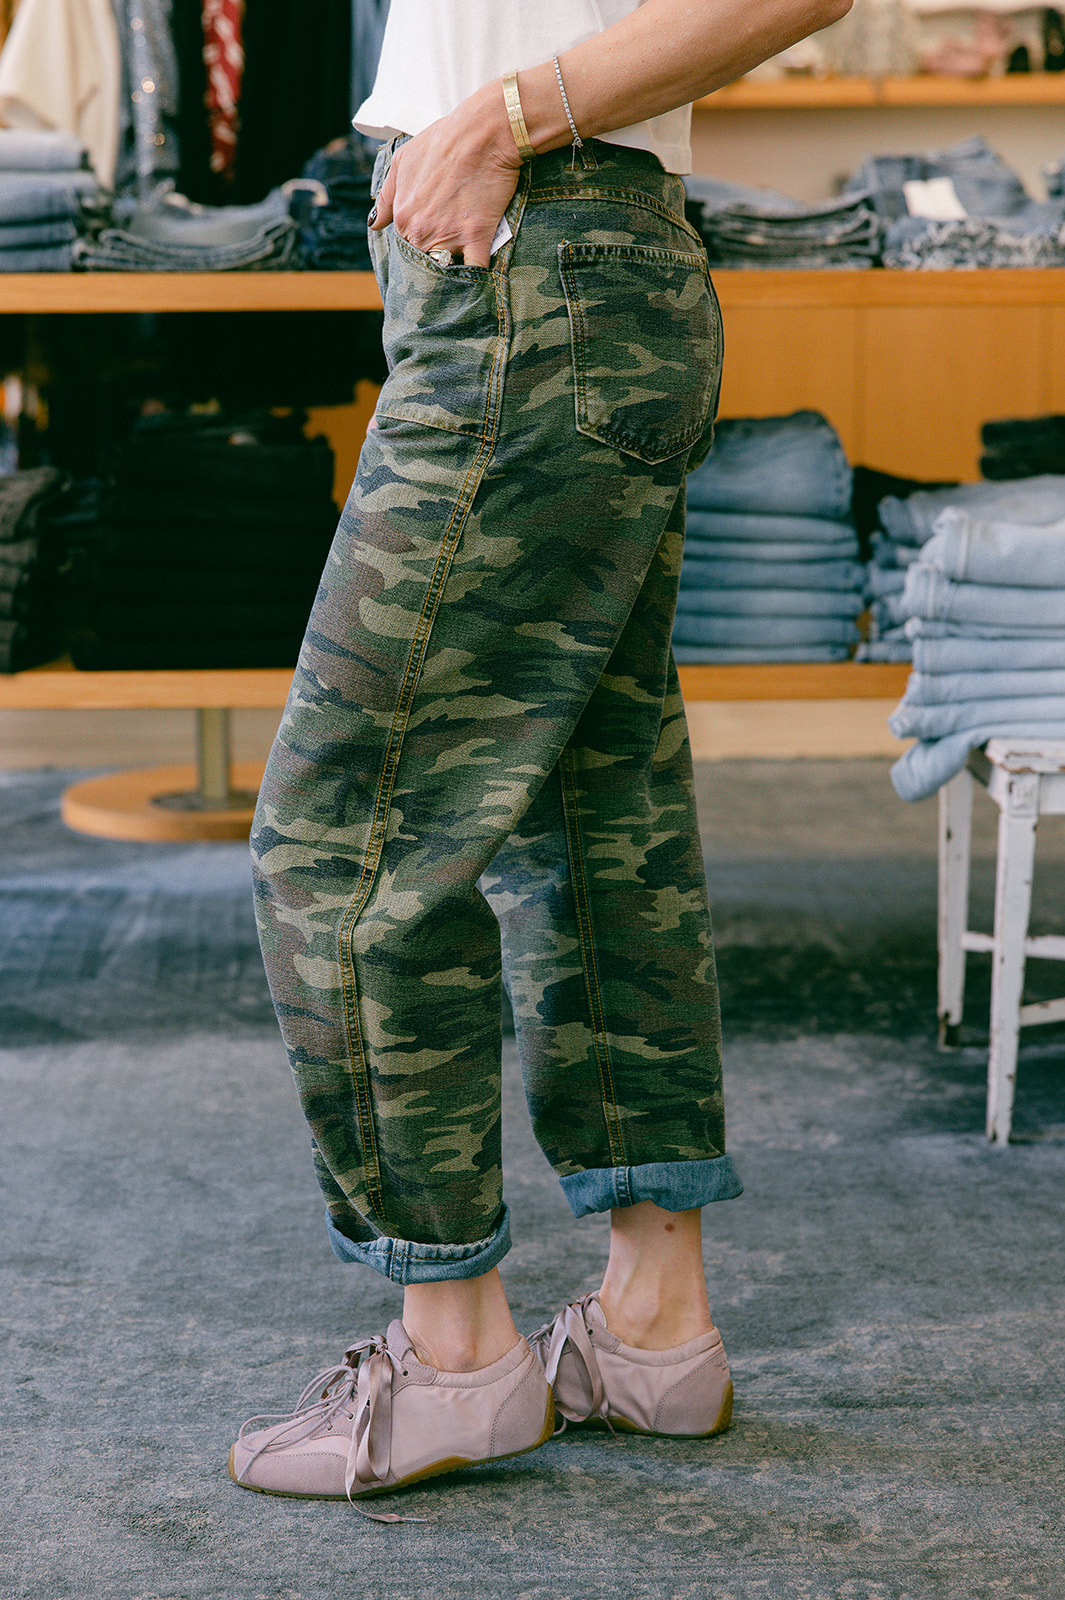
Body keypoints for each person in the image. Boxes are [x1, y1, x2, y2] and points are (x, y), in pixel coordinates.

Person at [230, 0, 850, 1514]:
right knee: (593, 820)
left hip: (536, 256)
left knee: (345, 834)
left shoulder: (520, 147)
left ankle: (454, 1357)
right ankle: (653, 1324)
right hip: (576, 261)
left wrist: (499, 118)